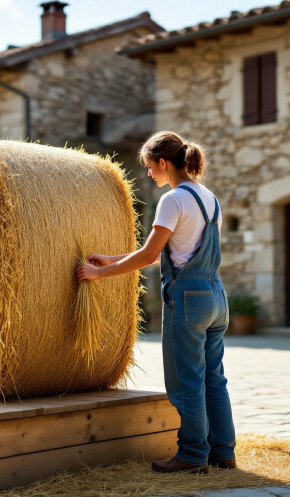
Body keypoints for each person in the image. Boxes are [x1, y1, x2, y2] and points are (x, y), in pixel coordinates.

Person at [77, 131, 235, 474]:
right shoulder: (210, 198)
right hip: (217, 296)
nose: (149, 174)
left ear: (164, 163)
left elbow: (150, 253)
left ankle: (192, 455)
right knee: (214, 379)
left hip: (189, 298)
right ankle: (223, 453)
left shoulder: (173, 199)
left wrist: (97, 274)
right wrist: (112, 258)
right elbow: (169, 248)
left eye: (150, 167)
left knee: (186, 382)